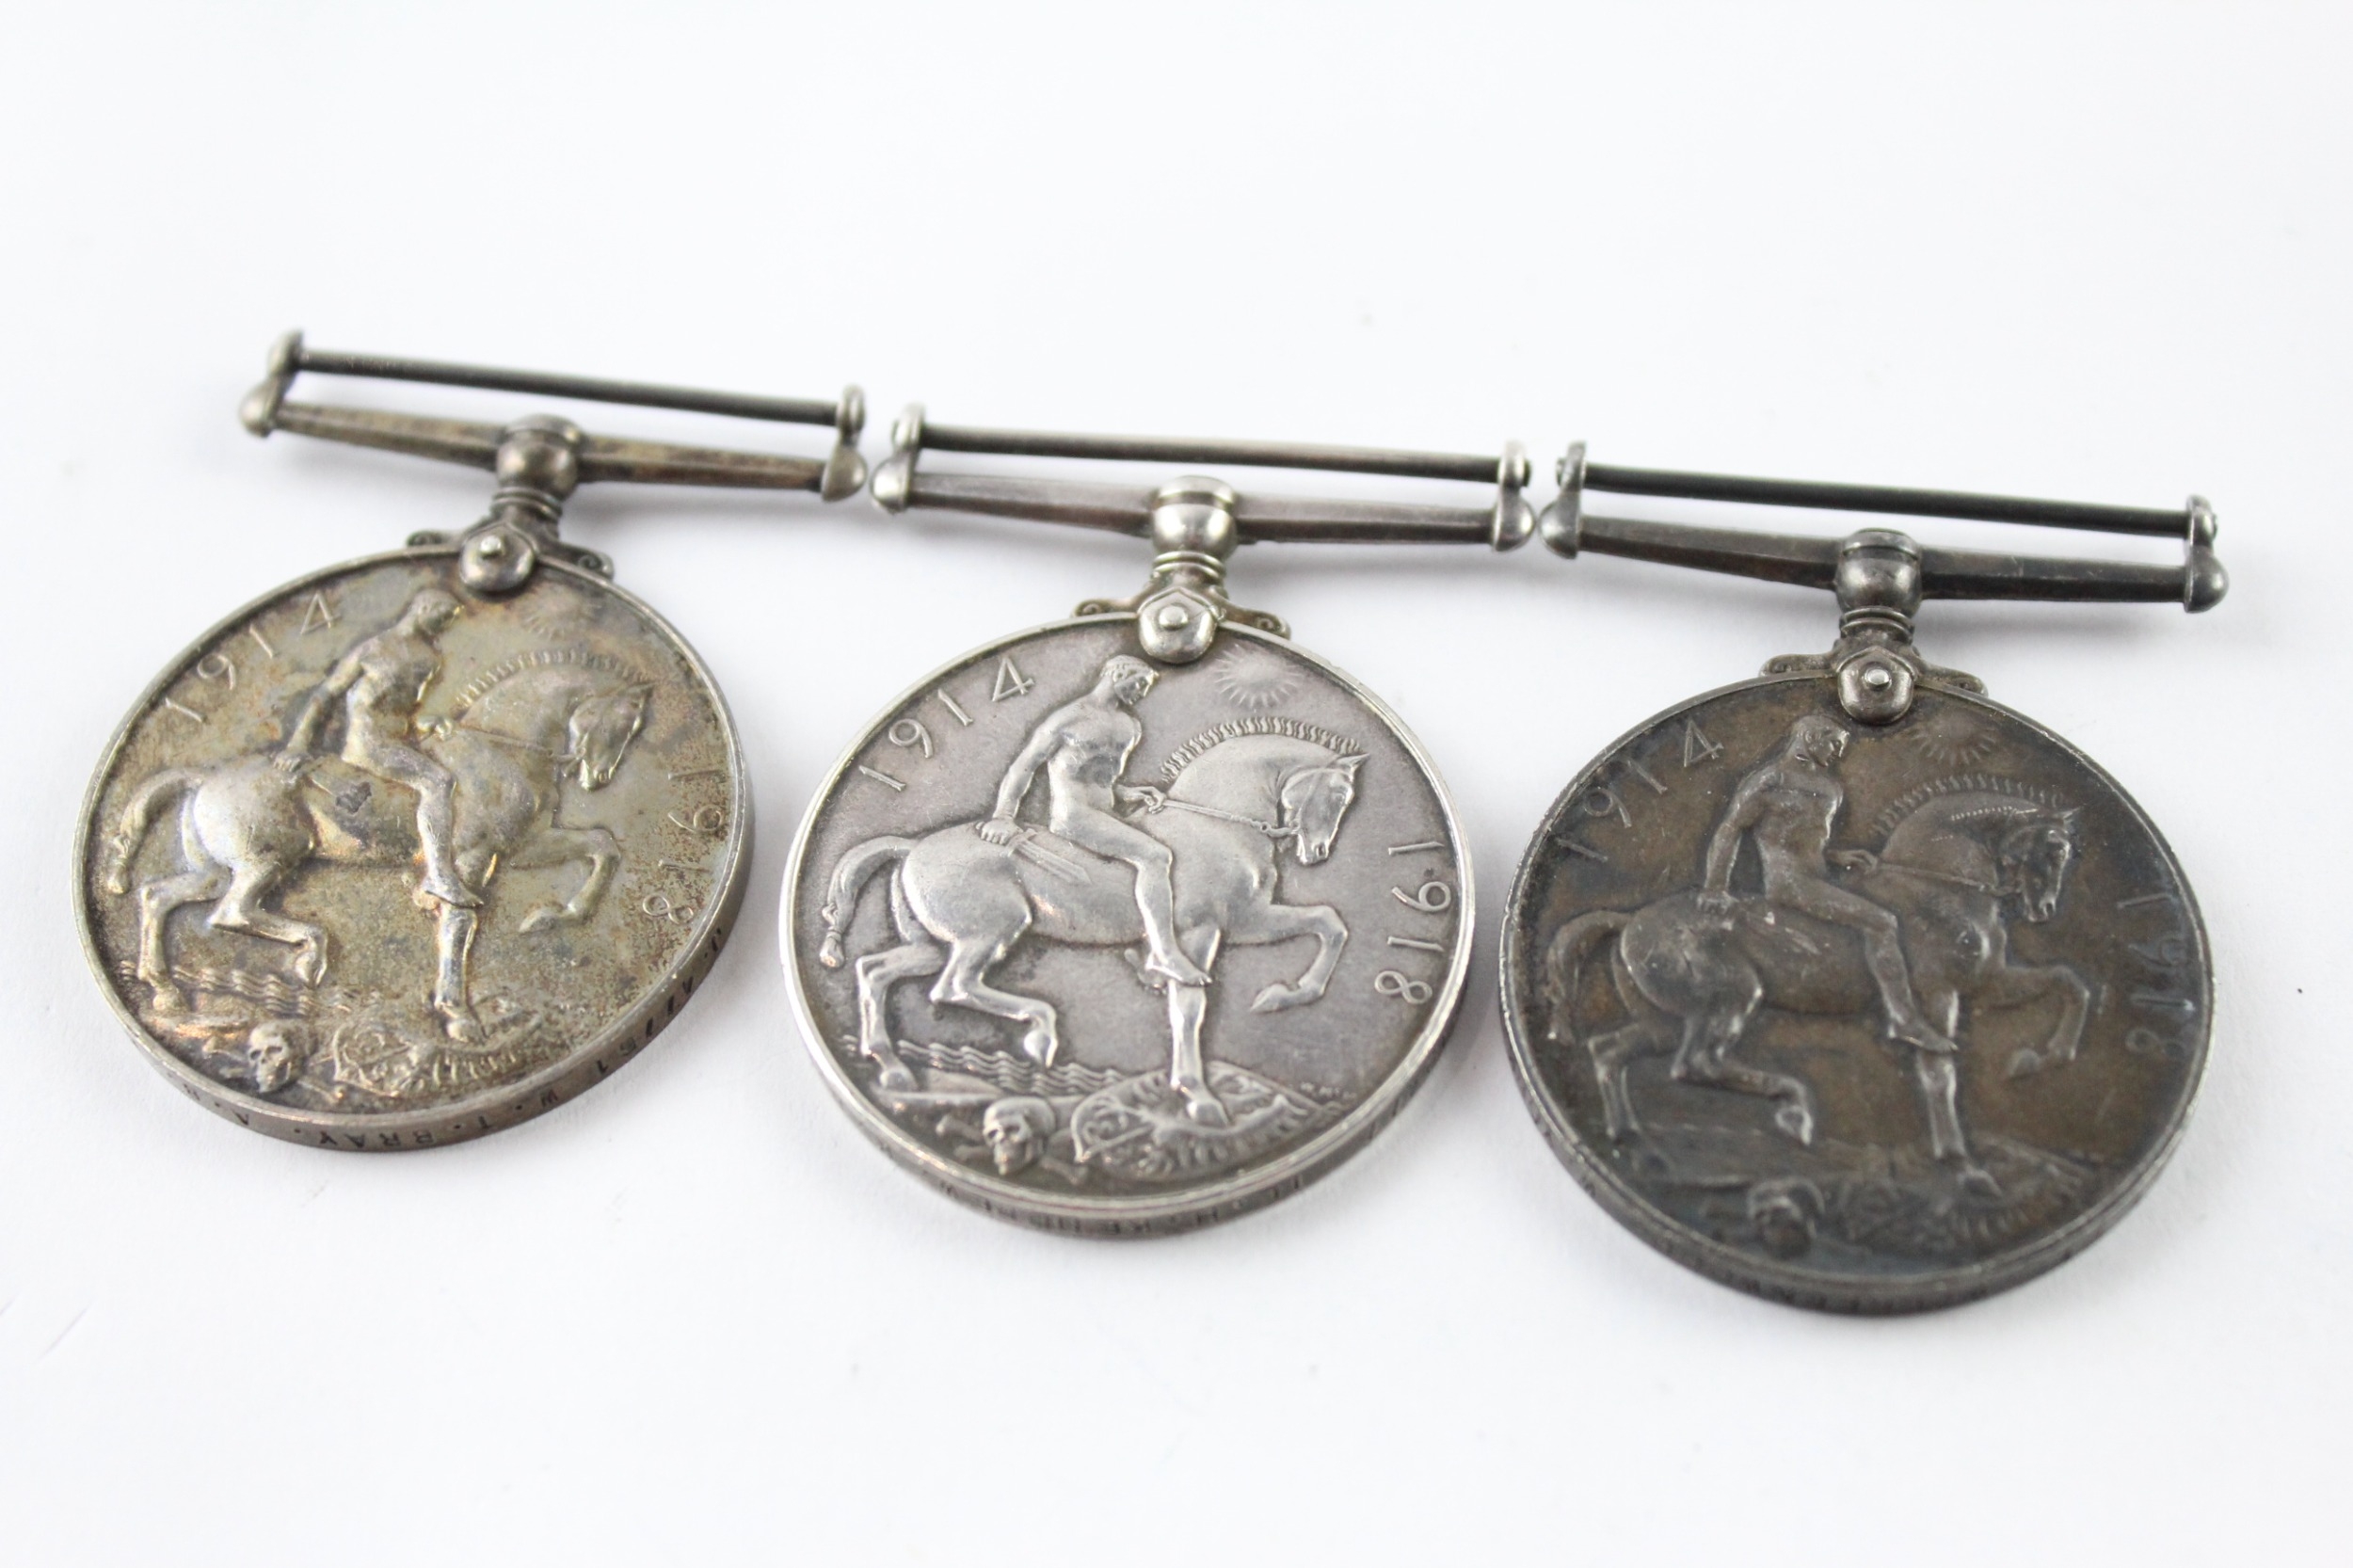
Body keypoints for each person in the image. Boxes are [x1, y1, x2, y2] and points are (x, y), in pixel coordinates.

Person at [1696, 713, 1957, 1053]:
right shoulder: (1771, 779)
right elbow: (1730, 829)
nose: (1838, 752)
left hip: (1819, 875)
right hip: (1790, 883)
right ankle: (1903, 1020)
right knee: (1882, 922)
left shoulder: (1830, 787)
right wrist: (1715, 887)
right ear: (1810, 738)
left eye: (1840, 746)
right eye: (1833, 743)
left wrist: (1837, 856)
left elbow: (1803, 840)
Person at [977, 656, 1210, 986]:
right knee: (1156, 856)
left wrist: (1129, 792)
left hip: (1107, 812)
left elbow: (1099, 778)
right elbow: (1025, 766)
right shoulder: (1069, 718)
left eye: (1145, 688)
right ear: (1118, 674)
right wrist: (1003, 816)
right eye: (1139, 684)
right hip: (1074, 817)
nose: (1142, 692)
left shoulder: (1129, 725)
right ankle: (1164, 952)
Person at [275, 587, 478, 908]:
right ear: (424, 608)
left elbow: (404, 711)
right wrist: (298, 743)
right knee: (439, 781)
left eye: (449, 621)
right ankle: (439, 875)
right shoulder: (373, 649)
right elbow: (326, 695)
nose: (445, 626)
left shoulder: (428, 658)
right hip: (368, 743)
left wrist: (427, 722)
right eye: (442, 617)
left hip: (397, 740)